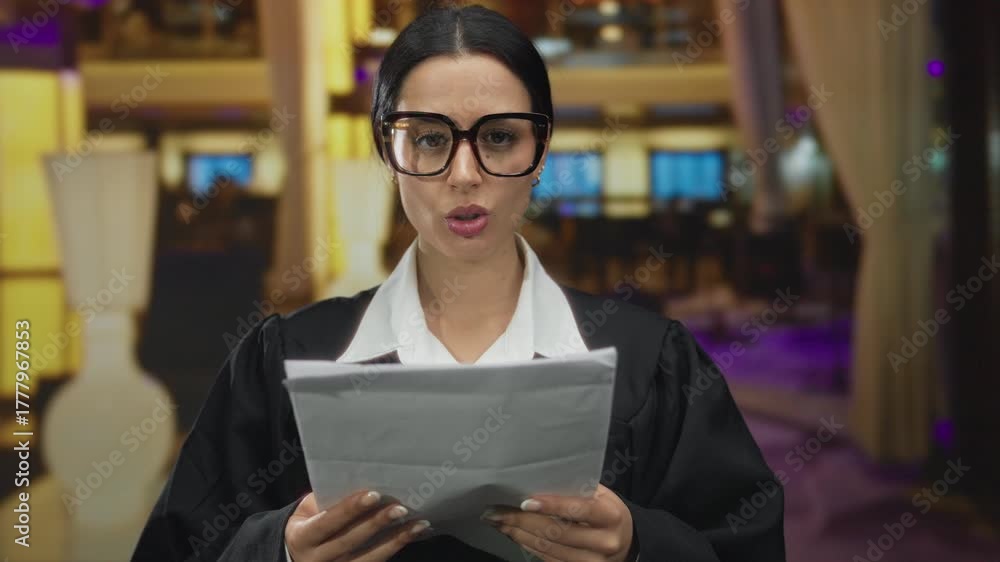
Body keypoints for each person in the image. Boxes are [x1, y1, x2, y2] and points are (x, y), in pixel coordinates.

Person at [133, 5, 785, 561]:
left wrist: (638, 544)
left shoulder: (653, 365)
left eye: (498, 137)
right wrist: (281, 548)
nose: (464, 174)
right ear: (390, 155)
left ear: (540, 156)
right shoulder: (284, 360)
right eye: (429, 139)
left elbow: (747, 544)